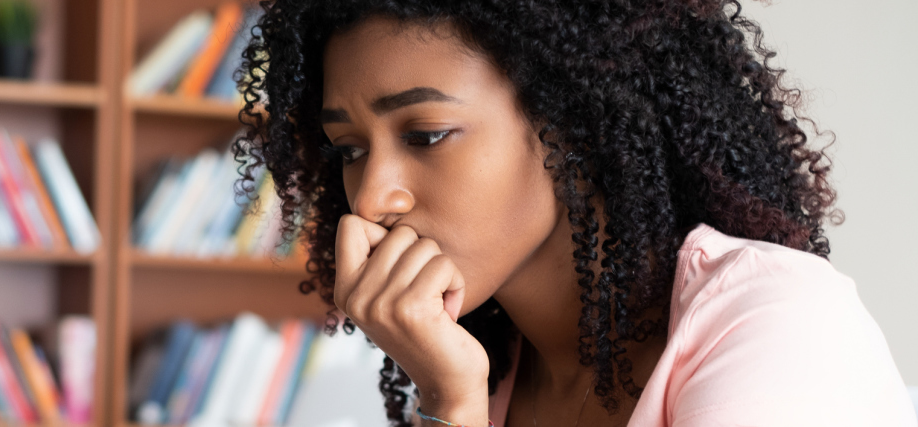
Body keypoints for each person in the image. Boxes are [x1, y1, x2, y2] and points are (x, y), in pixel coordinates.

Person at [230, 1, 917, 426]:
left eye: (425, 134)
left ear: (572, 121)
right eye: (348, 148)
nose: (374, 198)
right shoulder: (481, 374)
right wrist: (449, 397)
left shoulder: (774, 324)